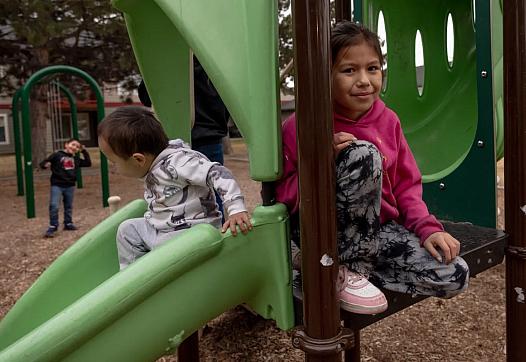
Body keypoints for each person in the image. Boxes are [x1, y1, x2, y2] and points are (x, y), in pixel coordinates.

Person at [275, 21, 469, 315]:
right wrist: (318, 162)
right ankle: (343, 270)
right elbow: (281, 196)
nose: (364, 80)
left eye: (373, 68)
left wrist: (427, 228)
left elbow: (406, 186)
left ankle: (328, 274)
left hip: (376, 233)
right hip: (322, 233)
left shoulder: (388, 120)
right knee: (362, 154)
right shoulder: (301, 126)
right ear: (325, 76)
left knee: (454, 273)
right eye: (349, 70)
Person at [97, 106, 252, 270]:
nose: (113, 168)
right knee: (127, 229)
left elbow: (217, 173)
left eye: (114, 162)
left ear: (138, 159)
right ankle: (131, 277)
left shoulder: (179, 163)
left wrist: (235, 209)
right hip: (163, 231)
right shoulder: (153, 164)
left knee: (160, 252)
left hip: (192, 234)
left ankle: (148, 276)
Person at [138, 56, 230, 216]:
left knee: (175, 192)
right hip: (208, 133)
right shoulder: (213, 63)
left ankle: (180, 224)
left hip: (178, 138)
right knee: (212, 190)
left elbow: (146, 96)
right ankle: (213, 226)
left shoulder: (167, 63)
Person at [40, 138, 92, 238]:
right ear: (66, 145)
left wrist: (84, 151)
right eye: (73, 145)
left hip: (70, 185)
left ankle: (68, 223)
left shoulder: (76, 159)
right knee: (54, 205)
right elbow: (43, 163)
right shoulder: (57, 155)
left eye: (77, 147)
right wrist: (45, 165)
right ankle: (53, 226)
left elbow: (88, 163)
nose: (74, 147)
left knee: (68, 206)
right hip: (57, 185)